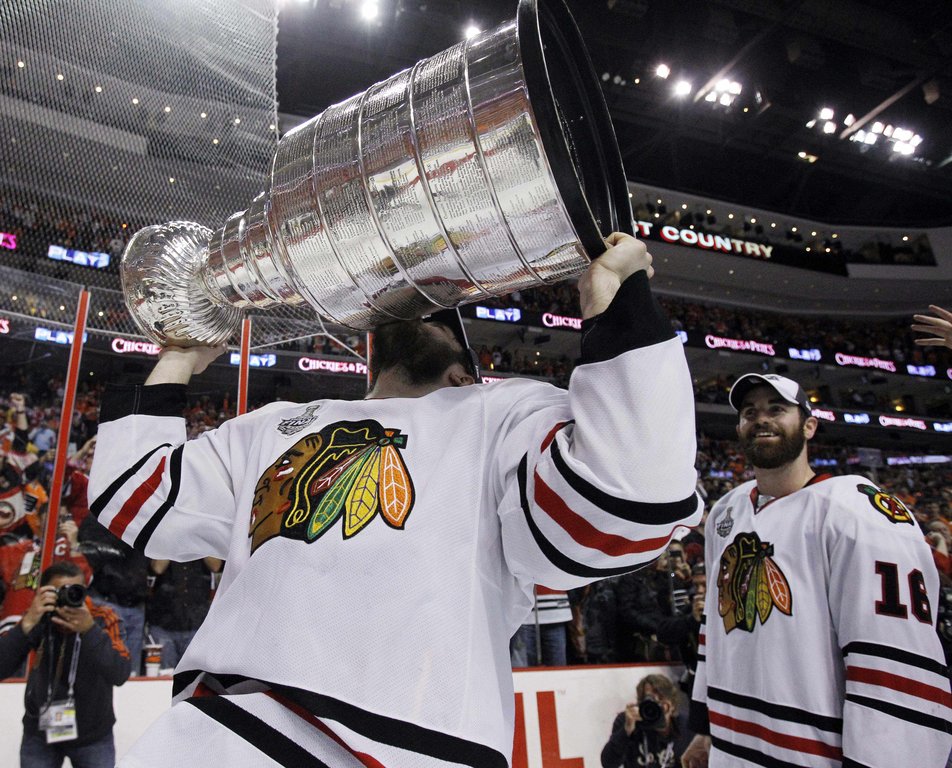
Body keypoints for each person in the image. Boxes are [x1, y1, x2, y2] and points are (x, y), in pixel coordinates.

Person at [88, 232, 703, 767]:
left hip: (407, 746)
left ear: (465, 375)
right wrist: (182, 353)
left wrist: (620, 307)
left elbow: (625, 503)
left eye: (440, 314)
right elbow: (136, 497)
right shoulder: (272, 424)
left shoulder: (499, 414)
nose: (419, 308)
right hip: (216, 733)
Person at [682, 373, 952, 768]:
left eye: (777, 409)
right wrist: (704, 729)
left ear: (809, 426)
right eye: (749, 412)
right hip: (732, 745)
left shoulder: (855, 510)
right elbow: (716, 627)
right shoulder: (726, 511)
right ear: (738, 428)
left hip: (814, 752)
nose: (761, 419)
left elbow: (891, 660)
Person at [0, 561, 131, 768]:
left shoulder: (101, 616)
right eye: (60, 591)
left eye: (76, 590)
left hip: (93, 734)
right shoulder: (38, 616)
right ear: (44, 592)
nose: (68, 597)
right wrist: (28, 623)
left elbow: (120, 672)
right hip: (40, 731)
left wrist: (89, 630)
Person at [601, 673, 691, 768]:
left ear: (671, 704)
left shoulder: (686, 725)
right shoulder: (628, 720)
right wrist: (626, 731)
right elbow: (608, 763)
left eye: (661, 699)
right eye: (650, 699)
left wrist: (664, 725)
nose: (656, 706)